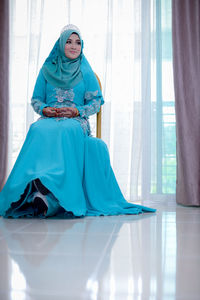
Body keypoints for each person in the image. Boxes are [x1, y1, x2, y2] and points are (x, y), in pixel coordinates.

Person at [0, 24, 156, 218]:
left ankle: (50, 188)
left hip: (76, 121)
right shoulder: (47, 70)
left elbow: (96, 101)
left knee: (66, 129)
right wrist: (44, 109)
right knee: (37, 129)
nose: (74, 46)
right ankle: (35, 185)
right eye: (68, 41)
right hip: (49, 119)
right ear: (60, 45)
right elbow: (36, 100)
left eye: (78, 43)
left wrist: (76, 111)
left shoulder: (86, 72)